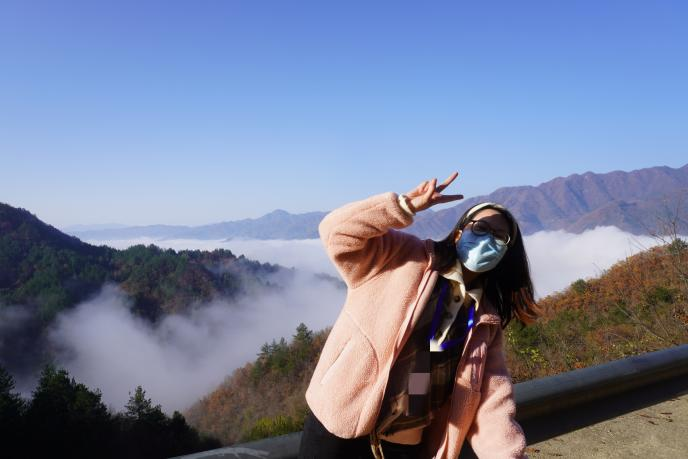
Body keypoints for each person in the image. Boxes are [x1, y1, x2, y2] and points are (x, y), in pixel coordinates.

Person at [298, 172, 541, 459]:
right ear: (460, 232)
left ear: (505, 253)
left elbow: (492, 402)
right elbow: (335, 232)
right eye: (481, 227)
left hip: (404, 447)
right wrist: (404, 206)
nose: (488, 239)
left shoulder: (484, 321)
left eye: (499, 237)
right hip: (337, 427)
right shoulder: (403, 257)